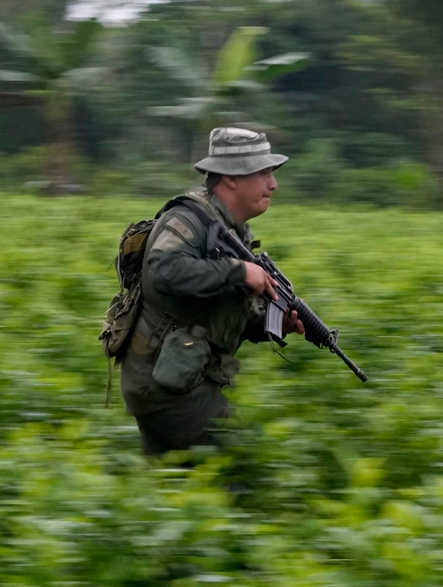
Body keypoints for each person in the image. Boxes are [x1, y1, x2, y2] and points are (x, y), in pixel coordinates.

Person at [119, 127, 304, 456]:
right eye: (263, 173)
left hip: (179, 378)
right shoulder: (187, 220)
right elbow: (165, 270)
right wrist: (239, 271)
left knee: (174, 488)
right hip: (165, 385)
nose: (273, 184)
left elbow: (224, 313)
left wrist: (272, 326)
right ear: (231, 178)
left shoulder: (233, 231)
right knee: (239, 462)